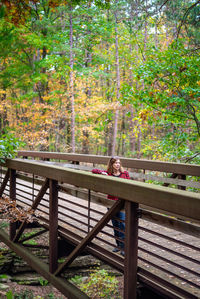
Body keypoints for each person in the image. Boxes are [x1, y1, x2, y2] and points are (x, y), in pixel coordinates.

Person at [92, 157, 130, 256]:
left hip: (122, 203)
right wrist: (102, 173)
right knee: (115, 224)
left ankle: (124, 247)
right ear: (111, 164)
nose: (118, 165)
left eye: (119, 163)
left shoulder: (125, 174)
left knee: (122, 224)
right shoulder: (108, 174)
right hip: (110, 202)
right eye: (115, 163)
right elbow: (93, 170)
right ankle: (118, 245)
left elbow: (130, 186)